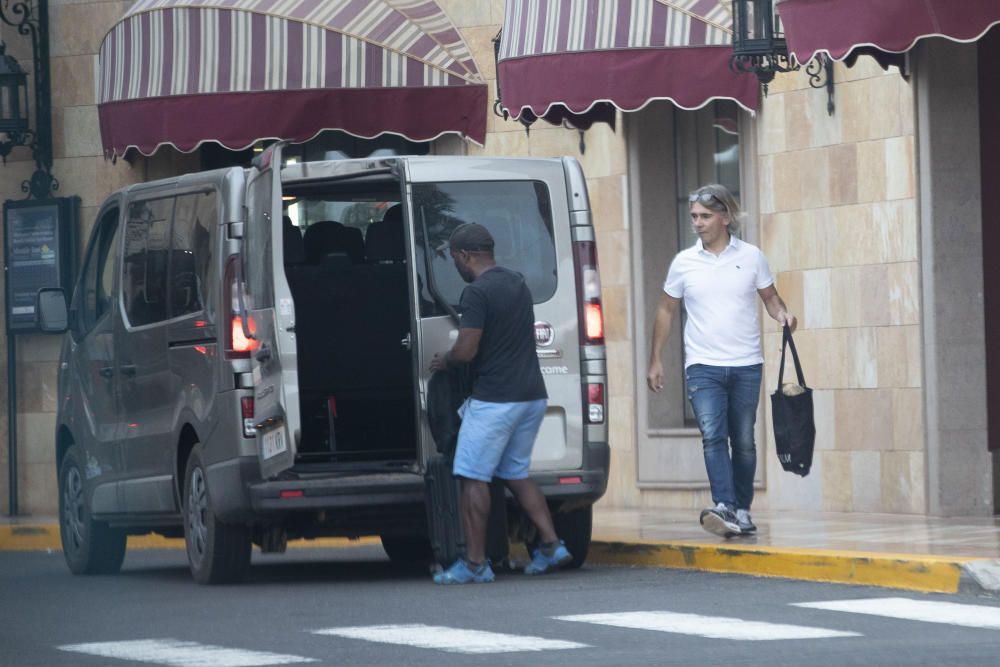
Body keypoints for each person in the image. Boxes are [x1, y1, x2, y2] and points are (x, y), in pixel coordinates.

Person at [646, 184, 797, 538]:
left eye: (705, 216)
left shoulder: (752, 256)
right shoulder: (684, 263)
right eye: (694, 217)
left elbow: (771, 298)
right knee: (713, 435)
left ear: (726, 218)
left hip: (746, 364)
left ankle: (742, 510)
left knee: (743, 440)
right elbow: (666, 310)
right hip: (702, 366)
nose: (697, 223)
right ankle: (725, 506)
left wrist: (783, 316)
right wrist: (656, 359)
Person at [429, 222, 571, 584]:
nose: (456, 265)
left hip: (496, 400)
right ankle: (552, 545)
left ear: (465, 255)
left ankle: (475, 563)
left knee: (471, 476)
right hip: (532, 396)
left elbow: (467, 349)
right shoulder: (517, 283)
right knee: (515, 473)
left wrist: (444, 360)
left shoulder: (477, 293)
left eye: (455, 258)